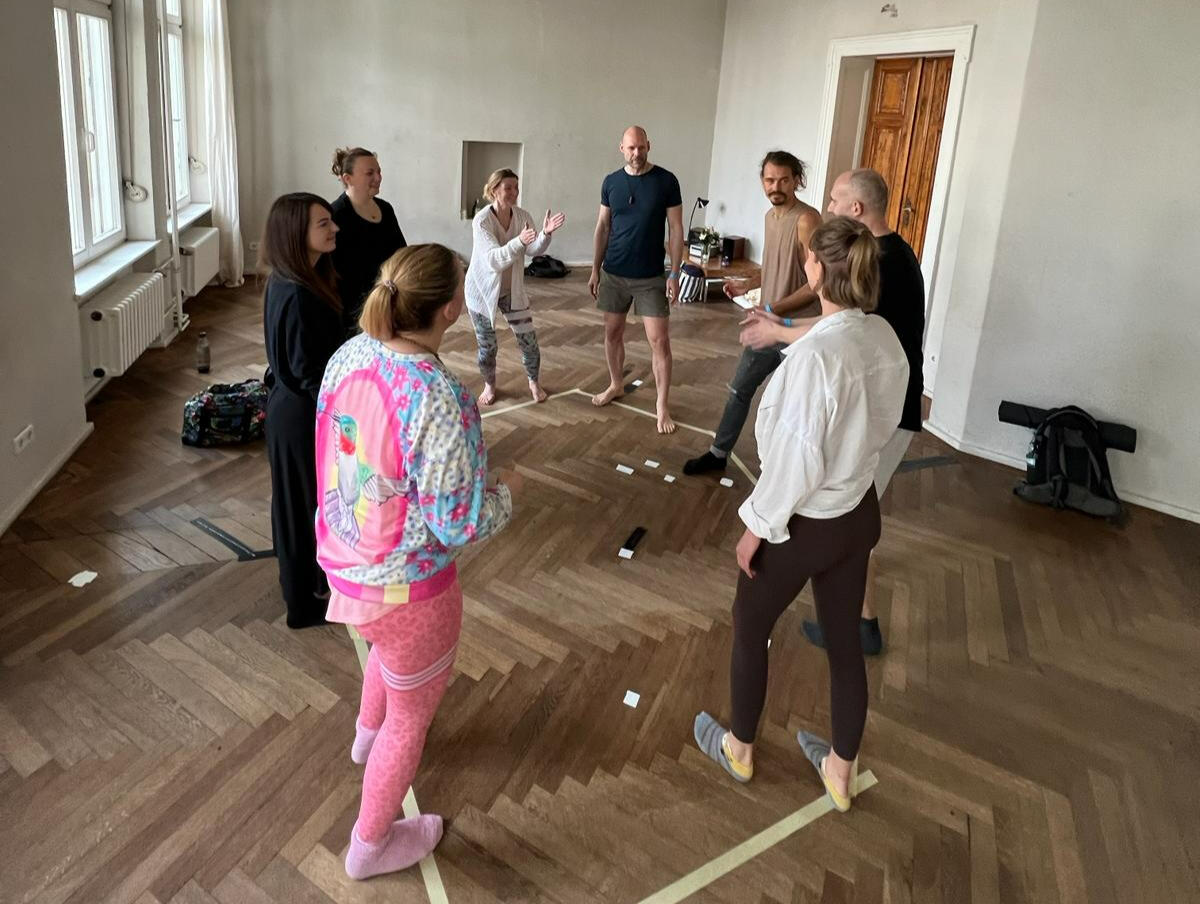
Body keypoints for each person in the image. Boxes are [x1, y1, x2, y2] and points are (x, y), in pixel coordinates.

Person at [314, 243, 519, 880]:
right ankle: (369, 846)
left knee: (385, 656)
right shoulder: (441, 395)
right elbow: (457, 522)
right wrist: (505, 497)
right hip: (409, 591)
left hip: (345, 563)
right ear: (452, 309)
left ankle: (364, 736)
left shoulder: (350, 353)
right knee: (411, 719)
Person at [693, 216, 908, 813]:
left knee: (749, 625)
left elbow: (794, 461)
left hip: (805, 525)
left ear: (817, 272)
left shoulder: (816, 359)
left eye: (809, 257)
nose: (805, 263)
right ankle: (841, 768)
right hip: (858, 513)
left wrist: (756, 529)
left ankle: (739, 748)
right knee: (844, 642)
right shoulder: (883, 336)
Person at [740, 169, 926, 655]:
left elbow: (843, 335)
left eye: (836, 199)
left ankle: (859, 624)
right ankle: (855, 618)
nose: (828, 205)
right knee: (851, 508)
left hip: (884, 411)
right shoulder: (885, 254)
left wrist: (778, 331)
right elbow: (839, 326)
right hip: (878, 402)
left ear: (857, 210)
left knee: (846, 510)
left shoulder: (883, 263)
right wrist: (782, 324)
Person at [683, 151, 822, 475]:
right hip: (769, 323)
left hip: (799, 328)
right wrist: (747, 285)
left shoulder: (806, 220)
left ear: (797, 180)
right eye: (770, 180)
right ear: (762, 181)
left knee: (796, 406)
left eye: (784, 180)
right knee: (739, 389)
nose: (776, 187)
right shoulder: (769, 217)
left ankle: (793, 473)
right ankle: (718, 454)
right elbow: (774, 267)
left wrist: (773, 309)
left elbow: (817, 284)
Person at [261, 192, 344, 629]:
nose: (334, 229)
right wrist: (346, 418)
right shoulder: (296, 292)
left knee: (303, 505)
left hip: (294, 408)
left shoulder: (295, 279)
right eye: (323, 224)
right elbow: (308, 372)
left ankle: (313, 588)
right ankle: (302, 604)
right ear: (296, 233)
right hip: (300, 416)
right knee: (301, 510)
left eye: (331, 221)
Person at [588, 125, 684, 434]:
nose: (636, 153)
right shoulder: (611, 182)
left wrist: (674, 272)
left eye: (641, 147)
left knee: (660, 342)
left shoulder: (666, 181)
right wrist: (595, 269)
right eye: (631, 148)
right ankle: (616, 384)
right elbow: (603, 227)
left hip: (651, 276)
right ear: (622, 148)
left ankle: (662, 405)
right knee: (612, 333)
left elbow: (676, 229)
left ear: (648, 146)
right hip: (614, 273)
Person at [465, 168, 566, 405]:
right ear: (494, 190)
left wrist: (545, 234)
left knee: (529, 342)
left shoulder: (522, 216)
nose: (514, 192)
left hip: (513, 292)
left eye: (516, 187)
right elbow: (493, 260)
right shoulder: (482, 221)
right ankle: (490, 385)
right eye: (508, 187)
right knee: (488, 348)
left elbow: (532, 250)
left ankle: (534, 382)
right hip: (481, 293)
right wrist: (519, 241)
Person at [330, 146, 407, 334]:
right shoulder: (336, 215)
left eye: (379, 171)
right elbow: (334, 272)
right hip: (353, 312)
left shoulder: (385, 209)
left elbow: (400, 252)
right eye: (370, 173)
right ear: (347, 179)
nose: (378, 178)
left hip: (386, 301)